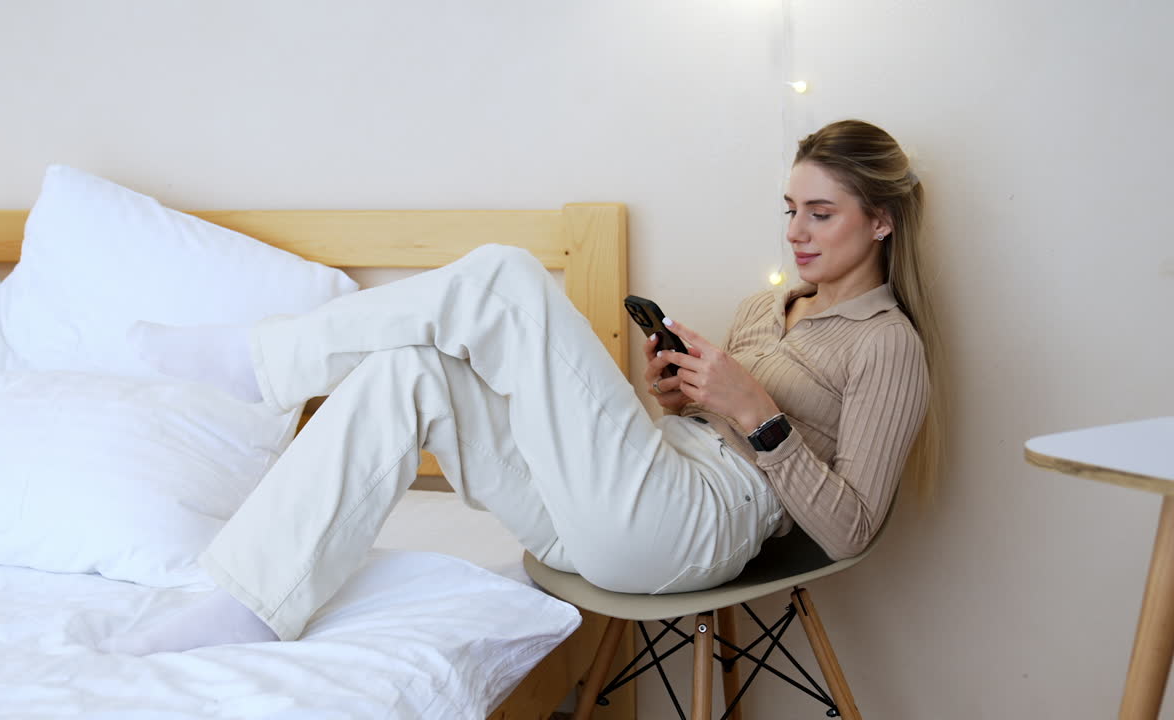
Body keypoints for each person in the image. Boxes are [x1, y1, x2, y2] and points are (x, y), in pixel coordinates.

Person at [104, 119, 941, 655]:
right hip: (632, 501)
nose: (795, 232)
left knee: (505, 277)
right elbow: (700, 425)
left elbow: (853, 530)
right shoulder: (769, 305)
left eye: (820, 213)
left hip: (699, 523)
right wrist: (678, 394)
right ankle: (252, 600)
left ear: (880, 220)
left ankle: (259, 364)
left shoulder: (888, 345)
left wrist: (757, 414)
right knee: (411, 370)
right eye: (788, 208)